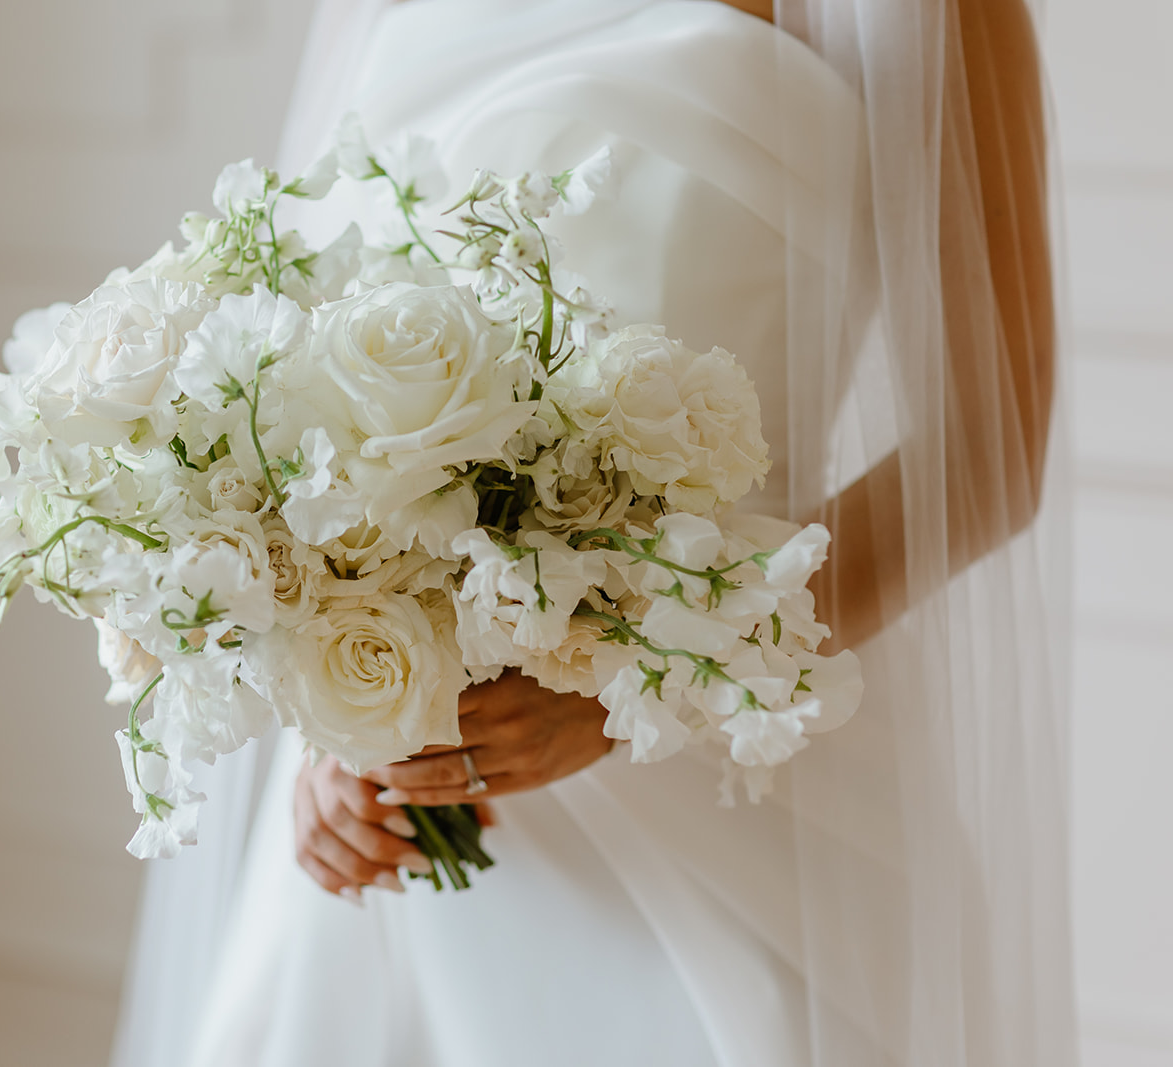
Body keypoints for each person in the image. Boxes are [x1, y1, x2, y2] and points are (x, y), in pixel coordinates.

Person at [111, 2, 1075, 1065]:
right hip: (406, 823)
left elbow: (991, 447)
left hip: (732, 781)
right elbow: (309, 372)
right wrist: (337, 708)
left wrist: (635, 686)